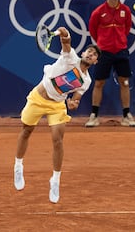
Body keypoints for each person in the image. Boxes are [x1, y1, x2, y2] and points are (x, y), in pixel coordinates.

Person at [13, 26, 101, 203]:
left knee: (57, 140)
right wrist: (61, 31)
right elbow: (66, 37)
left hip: (57, 106)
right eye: (89, 51)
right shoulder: (70, 57)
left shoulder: (86, 81)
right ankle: (18, 165)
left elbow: (76, 98)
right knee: (26, 131)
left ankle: (55, 179)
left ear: (95, 62)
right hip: (38, 98)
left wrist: (73, 103)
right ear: (83, 53)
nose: (90, 55)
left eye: (93, 55)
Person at [85, 0, 135, 127]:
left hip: (121, 51)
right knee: (99, 83)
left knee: (125, 82)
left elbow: (127, 28)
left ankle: (126, 115)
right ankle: (94, 116)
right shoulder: (98, 12)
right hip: (104, 52)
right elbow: (93, 30)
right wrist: (103, 43)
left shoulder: (125, 10)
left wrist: (119, 40)